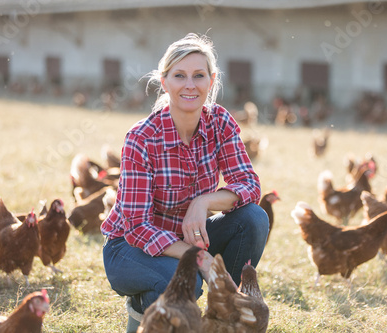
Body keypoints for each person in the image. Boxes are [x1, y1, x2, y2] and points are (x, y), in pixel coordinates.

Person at [101, 33, 269, 332]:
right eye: (180, 75)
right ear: (164, 82)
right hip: (128, 246)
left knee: (253, 219)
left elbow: (249, 184)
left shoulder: (220, 122)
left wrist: (203, 202)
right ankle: (142, 321)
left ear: (211, 80)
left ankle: (222, 309)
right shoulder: (142, 138)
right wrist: (201, 259)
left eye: (198, 75)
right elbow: (137, 226)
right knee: (183, 277)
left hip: (191, 235)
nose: (190, 85)